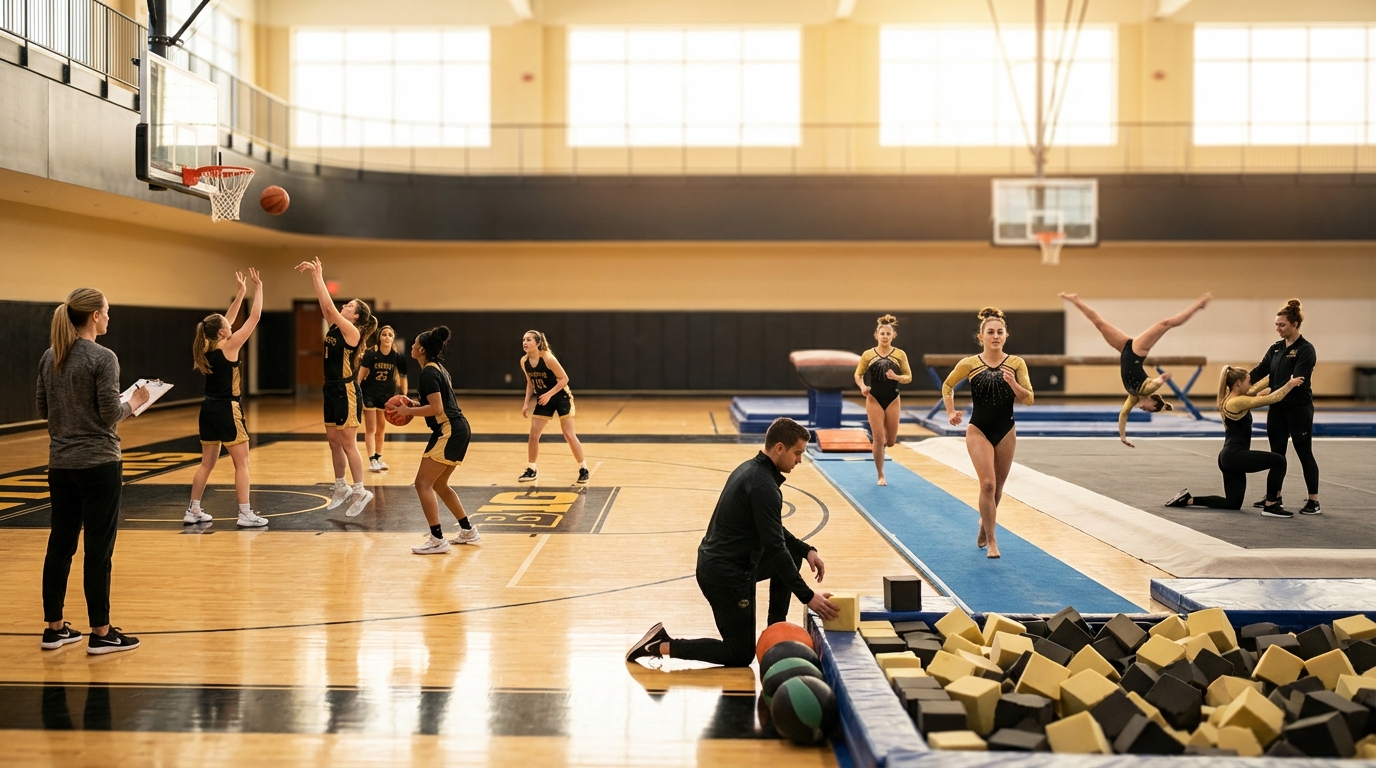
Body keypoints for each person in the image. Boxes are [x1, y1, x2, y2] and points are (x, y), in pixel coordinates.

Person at [626, 418, 839, 667]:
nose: (800, 460)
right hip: (725, 575)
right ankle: (659, 645)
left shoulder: (754, 470)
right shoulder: (763, 485)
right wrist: (808, 596)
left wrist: (806, 550)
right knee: (739, 655)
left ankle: (776, 631)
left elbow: (772, 529)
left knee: (793, 555)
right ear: (780, 448)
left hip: (737, 564)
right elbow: (775, 547)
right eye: (798, 453)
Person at [36, 288, 149, 654]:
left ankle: (54, 629)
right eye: (107, 312)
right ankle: (101, 632)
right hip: (99, 463)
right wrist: (134, 402)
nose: (109, 318)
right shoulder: (104, 357)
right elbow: (109, 414)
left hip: (61, 464)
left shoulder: (50, 356)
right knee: (98, 550)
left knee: (60, 544)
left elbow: (43, 409)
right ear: (95, 317)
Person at [1060, 292, 1213, 448]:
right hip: (1137, 350)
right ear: (1152, 402)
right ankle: (1197, 305)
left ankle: (1075, 300)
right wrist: (1163, 378)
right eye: (1149, 410)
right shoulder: (1147, 389)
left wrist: (1123, 436)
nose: (1145, 410)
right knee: (1165, 324)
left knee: (1099, 323)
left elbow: (1123, 415)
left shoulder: (1134, 396)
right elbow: (1156, 383)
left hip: (1124, 348)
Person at [941, 308, 1035, 560]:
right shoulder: (970, 363)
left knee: (998, 489)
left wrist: (1013, 383)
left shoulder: (1016, 363)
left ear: (1006, 335)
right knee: (987, 483)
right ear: (981, 336)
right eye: (990, 332)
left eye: (999, 332)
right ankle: (992, 541)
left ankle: (985, 523)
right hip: (978, 429)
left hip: (1006, 430)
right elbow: (948, 384)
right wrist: (950, 411)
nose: (995, 336)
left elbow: (1029, 399)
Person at [295, 257, 377, 517]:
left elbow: (329, 308)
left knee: (348, 442)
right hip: (329, 388)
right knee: (333, 441)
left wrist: (317, 275)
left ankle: (360, 489)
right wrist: (316, 278)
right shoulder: (333, 327)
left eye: (350, 305)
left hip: (346, 390)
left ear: (356, 316)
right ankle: (340, 486)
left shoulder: (352, 332)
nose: (344, 305)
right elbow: (325, 307)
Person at [185, 269, 268, 529]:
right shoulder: (229, 346)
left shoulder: (208, 345)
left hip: (208, 408)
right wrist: (258, 288)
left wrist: (241, 292)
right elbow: (253, 318)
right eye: (227, 327)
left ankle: (193, 509)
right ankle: (245, 513)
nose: (230, 327)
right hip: (227, 409)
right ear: (222, 333)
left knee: (206, 463)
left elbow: (227, 320)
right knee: (242, 462)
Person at [1165, 367, 1303, 518]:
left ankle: (1188, 500)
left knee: (1233, 503)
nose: (1250, 385)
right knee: (1279, 461)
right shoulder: (1236, 402)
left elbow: (1256, 389)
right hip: (1235, 456)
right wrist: (1290, 384)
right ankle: (1271, 505)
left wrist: (1280, 369)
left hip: (1228, 457)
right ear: (1238, 383)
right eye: (1248, 382)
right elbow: (1272, 399)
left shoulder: (1231, 398)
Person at [388, 326, 480, 554]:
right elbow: (438, 405)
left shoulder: (428, 373)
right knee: (438, 484)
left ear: (421, 349)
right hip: (455, 429)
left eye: (414, 344)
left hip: (450, 430)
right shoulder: (437, 368)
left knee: (422, 484)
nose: (411, 346)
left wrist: (408, 412)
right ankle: (468, 530)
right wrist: (414, 405)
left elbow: (437, 408)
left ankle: (437, 539)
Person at [1249, 300, 1320, 515]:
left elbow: (1296, 379)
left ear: (1295, 324)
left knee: (1304, 452)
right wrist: (1239, 383)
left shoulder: (1306, 350)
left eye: (1282, 325)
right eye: (1276, 324)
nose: (1278, 328)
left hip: (1299, 408)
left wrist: (1269, 393)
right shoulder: (1276, 348)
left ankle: (1313, 500)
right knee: (1277, 455)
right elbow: (1260, 370)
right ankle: (1274, 497)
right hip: (1278, 409)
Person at [517, 330, 588, 486]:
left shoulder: (548, 358)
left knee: (569, 434)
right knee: (533, 434)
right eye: (523, 339)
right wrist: (526, 403)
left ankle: (583, 468)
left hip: (561, 397)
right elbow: (530, 384)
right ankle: (532, 469)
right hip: (544, 399)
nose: (525, 342)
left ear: (538, 343)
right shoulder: (524, 361)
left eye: (529, 339)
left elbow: (564, 379)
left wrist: (549, 394)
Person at [854, 314, 913, 486]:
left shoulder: (900, 354)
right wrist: (863, 387)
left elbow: (909, 377)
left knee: (891, 441)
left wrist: (897, 377)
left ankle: (885, 442)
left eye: (888, 334)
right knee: (878, 439)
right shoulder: (868, 354)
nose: (885, 336)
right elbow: (858, 374)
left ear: (893, 336)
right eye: (882, 334)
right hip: (874, 398)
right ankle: (881, 475)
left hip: (893, 398)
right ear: (876, 335)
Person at [358, 325, 408, 473]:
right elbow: (360, 375)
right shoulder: (371, 353)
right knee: (371, 428)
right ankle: (372, 459)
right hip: (369, 393)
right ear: (380, 337)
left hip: (387, 395)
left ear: (393, 338)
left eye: (390, 335)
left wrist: (403, 395)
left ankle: (379, 456)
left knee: (381, 428)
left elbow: (403, 376)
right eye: (384, 334)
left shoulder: (397, 356)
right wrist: (357, 391)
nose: (387, 337)